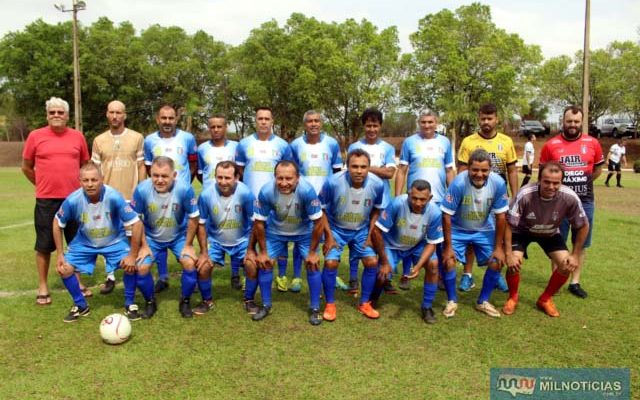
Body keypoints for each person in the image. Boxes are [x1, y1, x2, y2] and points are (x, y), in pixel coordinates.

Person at [53, 163, 156, 322]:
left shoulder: (113, 196)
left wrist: (132, 254)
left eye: (94, 180)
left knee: (131, 264)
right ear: (79, 181)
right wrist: (60, 253)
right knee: (64, 269)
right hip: (85, 242)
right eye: (85, 180)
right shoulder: (73, 200)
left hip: (114, 240)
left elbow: (136, 223)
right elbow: (57, 222)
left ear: (101, 179)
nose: (90, 184)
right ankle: (81, 305)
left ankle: (130, 303)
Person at [22, 97, 90, 306]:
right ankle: (43, 285)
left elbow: (85, 166)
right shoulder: (35, 136)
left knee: (76, 243)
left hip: (74, 200)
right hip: (46, 200)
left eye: (60, 112)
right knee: (44, 245)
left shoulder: (78, 137)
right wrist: (42, 185)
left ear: (67, 116)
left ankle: (77, 281)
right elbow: (26, 166)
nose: (56, 116)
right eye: (52, 112)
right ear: (47, 115)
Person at [503, 162, 589, 317]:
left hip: (549, 232)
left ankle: (545, 299)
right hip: (521, 231)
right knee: (514, 262)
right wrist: (508, 254)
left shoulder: (569, 197)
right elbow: (508, 224)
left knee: (566, 264)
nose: (551, 186)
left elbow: (583, 225)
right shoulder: (525, 194)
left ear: (561, 182)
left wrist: (575, 254)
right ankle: (513, 297)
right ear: (539, 179)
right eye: (547, 182)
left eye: (556, 183)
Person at [249, 161, 329, 325]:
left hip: (303, 232)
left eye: (289, 178)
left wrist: (313, 253)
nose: (284, 183)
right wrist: (263, 252)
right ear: (274, 177)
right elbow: (259, 223)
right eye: (280, 178)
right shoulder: (266, 191)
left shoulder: (307, 190)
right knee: (265, 263)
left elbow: (319, 222)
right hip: (276, 231)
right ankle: (266, 305)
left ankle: (315, 308)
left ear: (297, 178)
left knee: (312, 264)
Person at [539, 105, 604, 298]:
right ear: (563, 121)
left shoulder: (592, 143)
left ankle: (574, 282)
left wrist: (583, 183)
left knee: (580, 242)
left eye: (576, 121)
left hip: (584, 202)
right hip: (557, 202)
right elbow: (543, 173)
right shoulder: (551, 145)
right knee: (557, 240)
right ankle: (556, 278)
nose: (573, 125)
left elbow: (598, 169)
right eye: (569, 121)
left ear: (581, 122)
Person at [319, 148, 390, 321]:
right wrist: (328, 236)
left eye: (363, 167)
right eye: (354, 166)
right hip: (336, 228)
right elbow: (320, 210)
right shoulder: (333, 182)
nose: (359, 171)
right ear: (347, 167)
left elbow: (377, 210)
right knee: (330, 263)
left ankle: (365, 303)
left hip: (361, 230)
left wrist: (370, 234)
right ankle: (330, 304)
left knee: (372, 261)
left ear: (369, 167)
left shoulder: (377, 184)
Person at [439, 149, 509, 318]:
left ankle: (483, 301)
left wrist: (499, 247)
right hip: (458, 229)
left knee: (497, 261)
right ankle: (452, 301)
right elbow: (446, 215)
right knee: (448, 261)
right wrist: (448, 247)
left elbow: (501, 217)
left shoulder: (498, 183)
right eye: (475, 170)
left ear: (490, 169)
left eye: (484, 170)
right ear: (468, 168)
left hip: (483, 229)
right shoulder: (458, 183)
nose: (479, 174)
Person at [457, 103, 517, 293]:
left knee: (495, 236)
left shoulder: (506, 141)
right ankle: (467, 275)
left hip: (498, 197)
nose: (486, 122)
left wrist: (514, 196)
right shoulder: (468, 141)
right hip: (473, 196)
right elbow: (461, 171)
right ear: (478, 119)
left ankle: (495, 273)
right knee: (470, 234)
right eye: (483, 118)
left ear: (496, 119)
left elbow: (512, 169)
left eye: (489, 118)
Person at [132, 157, 202, 318]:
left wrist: (189, 244)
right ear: (150, 173)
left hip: (178, 237)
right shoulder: (142, 190)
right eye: (155, 175)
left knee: (189, 263)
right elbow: (136, 219)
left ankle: (185, 301)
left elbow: (194, 217)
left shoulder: (184, 189)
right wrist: (143, 245)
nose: (159, 180)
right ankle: (150, 302)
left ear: (174, 175)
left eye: (164, 176)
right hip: (151, 238)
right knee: (142, 267)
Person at [395, 109, 455, 290]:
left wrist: (451, 196)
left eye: (430, 122)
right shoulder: (410, 142)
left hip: (437, 200)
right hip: (414, 200)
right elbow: (402, 170)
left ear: (436, 122)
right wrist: (399, 196)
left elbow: (450, 171)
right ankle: (406, 274)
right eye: (423, 122)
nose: (427, 125)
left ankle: (439, 275)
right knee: (408, 236)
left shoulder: (444, 142)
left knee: (438, 240)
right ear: (418, 123)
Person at [91, 100, 146, 294]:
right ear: (107, 114)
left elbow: (140, 165)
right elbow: (96, 170)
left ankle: (136, 272)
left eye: (119, 113)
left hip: (130, 197)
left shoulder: (137, 138)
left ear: (125, 115)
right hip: (107, 198)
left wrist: (141, 192)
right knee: (109, 236)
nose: (115, 116)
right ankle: (110, 276)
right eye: (111, 112)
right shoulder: (98, 140)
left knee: (134, 237)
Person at [284, 110, 343, 293]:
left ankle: (331, 271)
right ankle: (296, 277)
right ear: (305, 124)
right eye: (309, 121)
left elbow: (337, 172)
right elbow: (290, 171)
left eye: (317, 121)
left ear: (321, 123)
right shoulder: (295, 145)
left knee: (327, 236)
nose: (313, 124)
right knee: (301, 236)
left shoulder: (332, 144)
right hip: (302, 199)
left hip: (325, 200)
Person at [235, 107, 293, 289]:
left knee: (279, 236)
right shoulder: (244, 143)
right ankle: (249, 273)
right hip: (251, 200)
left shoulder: (283, 145)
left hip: (276, 200)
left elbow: (288, 170)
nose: (263, 122)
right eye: (260, 118)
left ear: (272, 121)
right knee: (250, 237)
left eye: (267, 118)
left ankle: (281, 276)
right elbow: (240, 171)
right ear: (255, 121)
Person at [143, 105, 198, 293]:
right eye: (164, 118)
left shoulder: (188, 138)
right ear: (158, 119)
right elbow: (148, 166)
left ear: (176, 119)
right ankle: (163, 276)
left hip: (180, 196)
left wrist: (183, 184)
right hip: (158, 194)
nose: (167, 122)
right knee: (159, 230)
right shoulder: (149, 140)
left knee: (183, 232)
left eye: (171, 118)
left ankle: (191, 273)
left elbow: (192, 163)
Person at [196, 161, 260, 315]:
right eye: (219, 177)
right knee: (203, 267)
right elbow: (201, 224)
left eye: (227, 178)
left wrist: (251, 249)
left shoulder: (246, 193)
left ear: (236, 177)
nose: (223, 182)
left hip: (242, 241)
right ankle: (207, 301)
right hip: (216, 242)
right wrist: (204, 252)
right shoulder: (205, 195)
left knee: (252, 265)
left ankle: (249, 300)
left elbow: (255, 223)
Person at [377, 180, 444, 324]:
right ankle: (373, 297)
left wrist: (418, 266)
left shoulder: (435, 213)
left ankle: (427, 307)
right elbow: (378, 232)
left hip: (416, 246)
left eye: (423, 199)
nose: (418, 203)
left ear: (430, 198)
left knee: (433, 264)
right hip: (392, 246)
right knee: (382, 274)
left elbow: (432, 243)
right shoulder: (396, 204)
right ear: (408, 194)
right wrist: (383, 260)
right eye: (414, 198)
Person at [346, 108, 396, 294]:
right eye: (368, 125)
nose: (372, 129)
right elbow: (350, 171)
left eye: (375, 125)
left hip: (382, 200)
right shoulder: (354, 147)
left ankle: (384, 276)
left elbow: (390, 173)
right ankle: (352, 278)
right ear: (363, 126)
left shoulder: (388, 148)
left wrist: (366, 169)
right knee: (355, 238)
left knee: (380, 239)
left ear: (380, 126)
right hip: (358, 199)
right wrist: (377, 169)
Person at [196, 113, 241, 290]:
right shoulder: (202, 149)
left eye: (219, 126)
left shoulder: (237, 147)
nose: (215, 130)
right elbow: (200, 173)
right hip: (209, 198)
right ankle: (207, 261)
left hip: (232, 196)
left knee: (234, 231)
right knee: (207, 232)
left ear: (225, 127)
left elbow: (239, 171)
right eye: (212, 127)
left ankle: (235, 273)